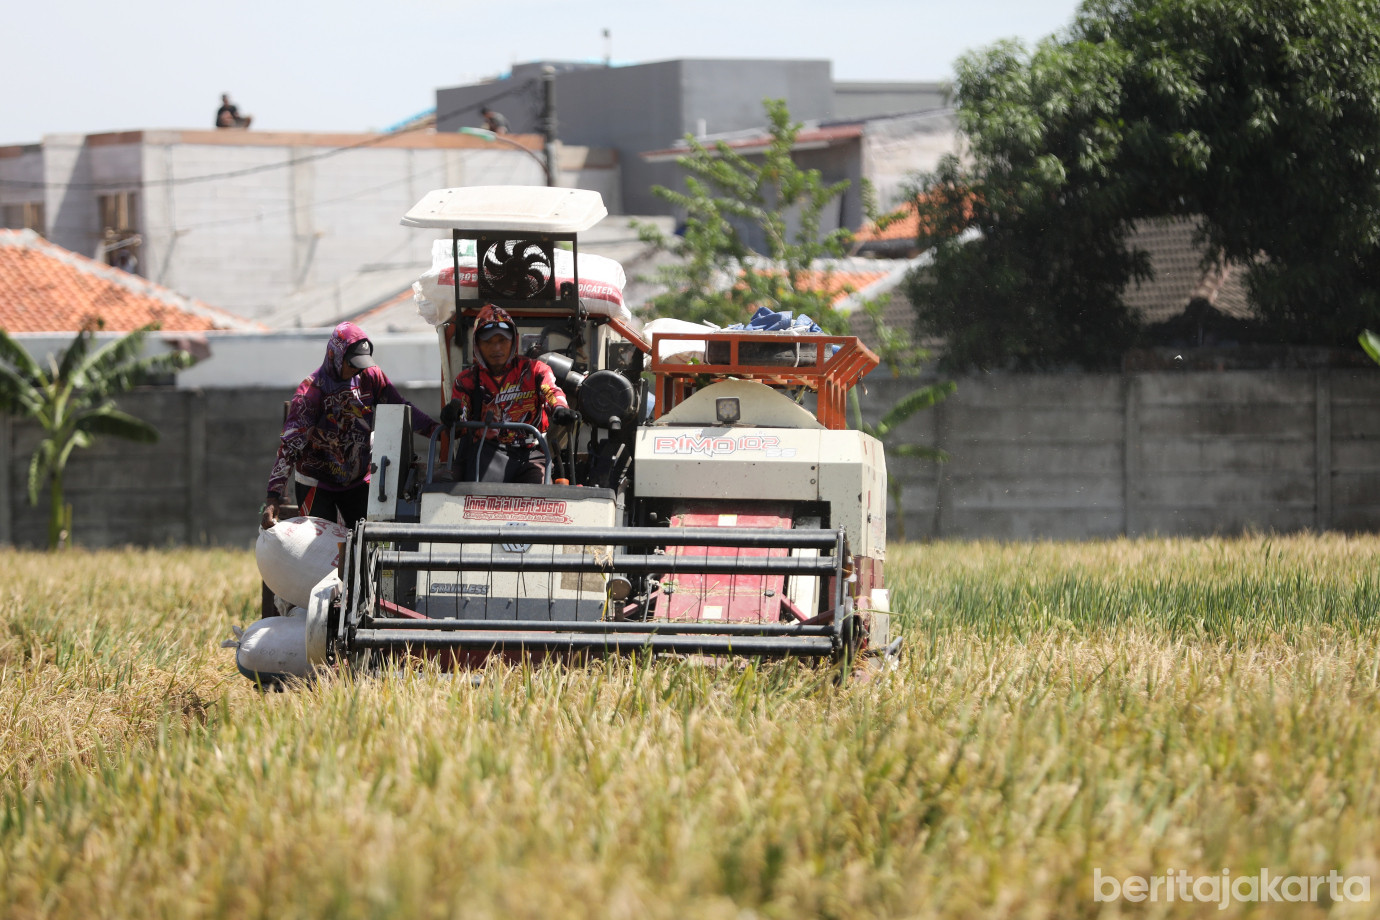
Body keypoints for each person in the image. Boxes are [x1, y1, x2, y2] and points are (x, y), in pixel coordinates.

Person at [261, 322, 438, 529]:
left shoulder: (371, 376)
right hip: (316, 482)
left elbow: (400, 408)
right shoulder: (311, 392)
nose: (356, 369)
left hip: (357, 480)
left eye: (361, 364)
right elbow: (289, 447)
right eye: (352, 363)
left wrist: (436, 431)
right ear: (334, 356)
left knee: (366, 542)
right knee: (321, 547)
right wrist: (273, 496)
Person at [439, 305, 577, 484]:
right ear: (477, 345)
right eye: (488, 342)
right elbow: (460, 418)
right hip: (487, 451)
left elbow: (551, 392)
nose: (496, 348)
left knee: (542, 493)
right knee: (482, 493)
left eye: (502, 340)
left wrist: (560, 409)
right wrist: (452, 416)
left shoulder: (535, 370)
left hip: (531, 453)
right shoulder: (467, 380)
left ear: (513, 341)